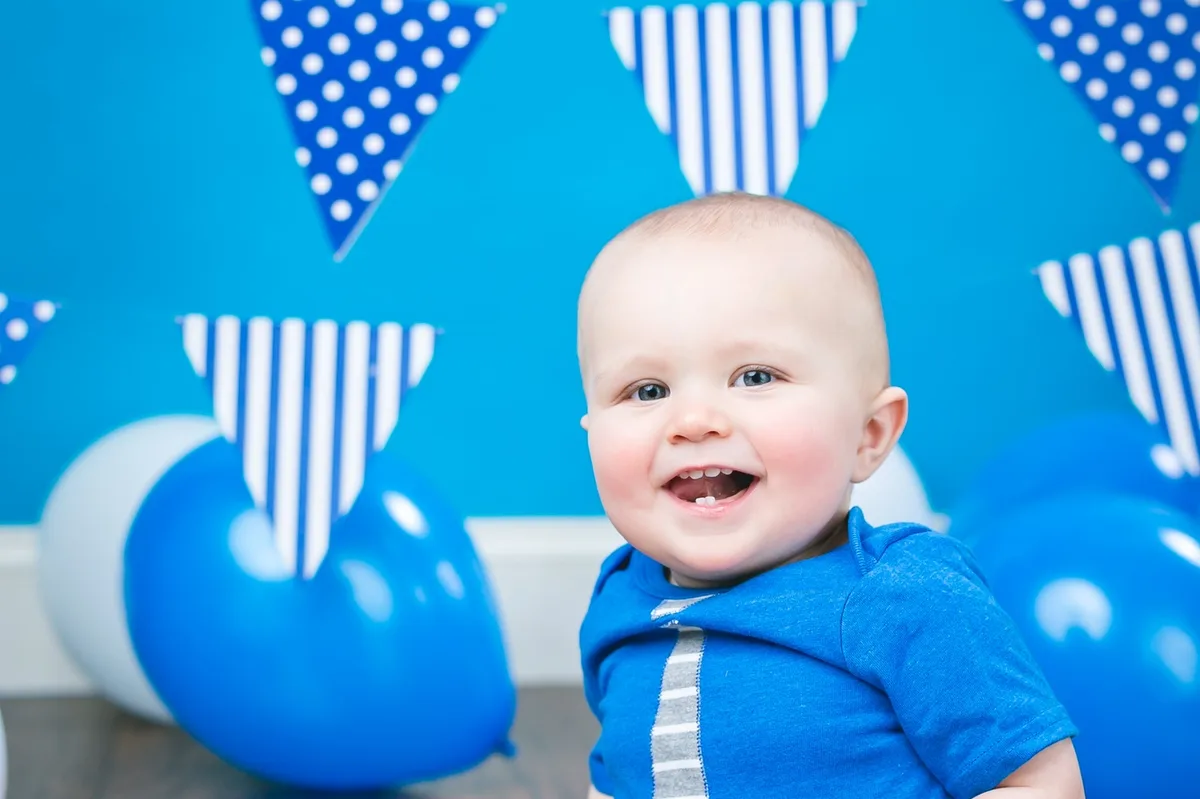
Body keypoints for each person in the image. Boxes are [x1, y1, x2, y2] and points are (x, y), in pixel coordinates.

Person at [574, 192, 1084, 798]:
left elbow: (1042, 784)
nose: (693, 419)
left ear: (869, 436)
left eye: (755, 377)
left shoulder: (905, 596)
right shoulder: (619, 597)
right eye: (647, 389)